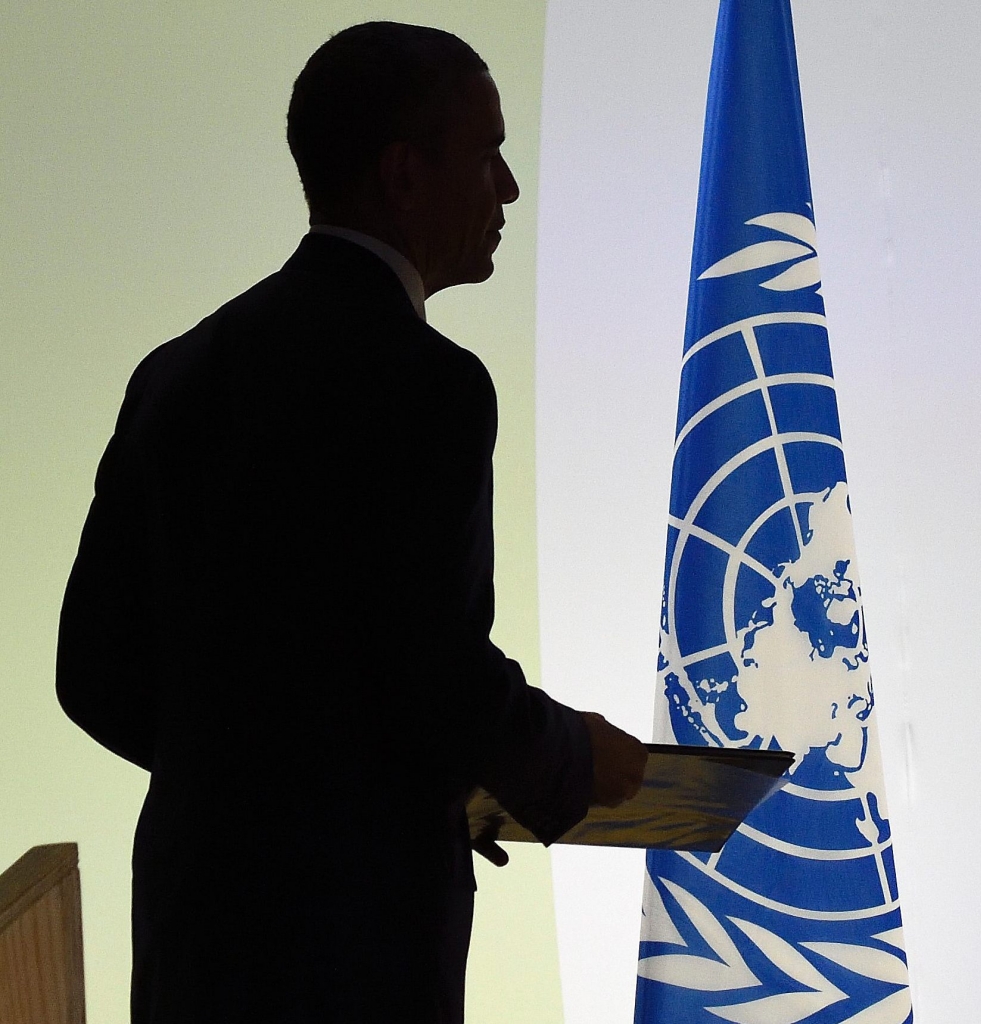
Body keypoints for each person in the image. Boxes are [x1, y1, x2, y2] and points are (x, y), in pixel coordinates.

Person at [56, 21, 648, 1024]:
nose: (507, 189)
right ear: (405, 175)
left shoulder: (178, 370)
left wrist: (267, 782)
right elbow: (432, 670)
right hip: (358, 953)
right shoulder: (431, 387)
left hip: (195, 929)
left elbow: (93, 671)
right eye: (488, 154)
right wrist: (572, 760)